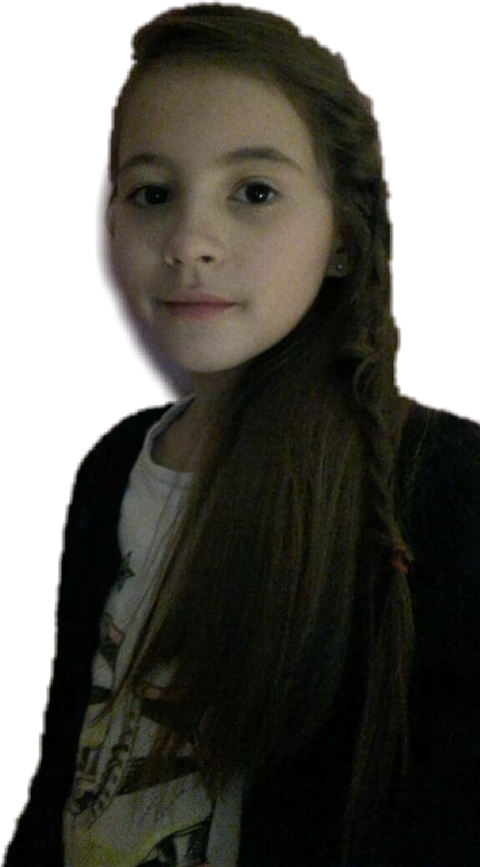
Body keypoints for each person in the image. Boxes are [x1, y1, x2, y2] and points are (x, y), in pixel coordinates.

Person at [4, 6, 479, 867]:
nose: (189, 242)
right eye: (153, 193)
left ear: (343, 235)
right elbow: (64, 779)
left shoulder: (443, 482)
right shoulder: (113, 465)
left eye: (254, 192)